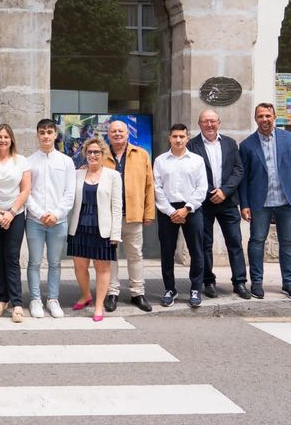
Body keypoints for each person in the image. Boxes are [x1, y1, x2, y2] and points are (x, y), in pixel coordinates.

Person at [239, 103, 291, 299]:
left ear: (274, 117)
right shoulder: (247, 145)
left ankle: (288, 283)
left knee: (288, 242)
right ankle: (256, 282)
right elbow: (243, 178)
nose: (265, 119)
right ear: (256, 119)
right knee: (256, 241)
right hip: (259, 203)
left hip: (287, 201)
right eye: (261, 116)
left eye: (268, 116)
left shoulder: (289, 139)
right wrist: (244, 204)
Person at [186, 109, 250, 299]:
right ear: (199, 124)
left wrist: (224, 191)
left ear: (219, 123)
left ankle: (239, 282)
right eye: (205, 121)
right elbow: (191, 174)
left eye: (213, 121)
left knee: (235, 242)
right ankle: (208, 281)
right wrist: (210, 192)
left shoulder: (230, 143)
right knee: (205, 243)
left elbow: (239, 170)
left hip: (228, 201)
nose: (210, 125)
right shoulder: (191, 145)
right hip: (203, 202)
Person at [102, 120, 154, 312]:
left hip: (133, 216)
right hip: (108, 218)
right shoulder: (101, 156)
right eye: (113, 131)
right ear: (108, 134)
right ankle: (112, 292)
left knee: (135, 255)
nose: (117, 134)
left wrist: (148, 213)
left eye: (120, 131)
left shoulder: (141, 155)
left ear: (127, 134)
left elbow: (149, 185)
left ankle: (137, 293)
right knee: (110, 257)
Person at [68, 137, 123, 322]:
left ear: (103, 154)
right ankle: (86, 296)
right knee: (79, 267)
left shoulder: (113, 176)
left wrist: (116, 233)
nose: (92, 155)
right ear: (85, 153)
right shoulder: (77, 174)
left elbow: (117, 206)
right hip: (80, 225)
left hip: (103, 228)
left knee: (102, 268)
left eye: (96, 152)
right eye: (89, 152)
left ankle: (99, 305)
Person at [25, 118, 75, 318]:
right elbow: (26, 192)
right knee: (34, 262)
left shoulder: (66, 161)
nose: (46, 136)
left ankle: (53, 299)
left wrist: (56, 214)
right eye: (42, 132)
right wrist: (39, 213)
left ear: (55, 134)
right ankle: (35, 299)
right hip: (35, 221)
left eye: (49, 132)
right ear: (37, 135)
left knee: (55, 262)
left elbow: (69, 193)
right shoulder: (28, 162)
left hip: (58, 221)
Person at [154, 124, 208, 307]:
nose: (178, 140)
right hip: (167, 210)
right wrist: (170, 211)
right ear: (169, 138)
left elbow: (202, 188)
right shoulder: (160, 160)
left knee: (197, 251)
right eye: (175, 136)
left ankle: (195, 289)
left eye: (182, 136)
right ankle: (170, 289)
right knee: (167, 252)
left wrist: (187, 208)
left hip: (191, 209)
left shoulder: (197, 160)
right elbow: (157, 187)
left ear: (187, 138)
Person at [0, 124, 31, 323]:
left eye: (6, 137)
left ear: (11, 139)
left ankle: (17, 303)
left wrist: (10, 213)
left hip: (15, 215)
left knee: (11, 257)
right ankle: (2, 299)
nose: (3, 140)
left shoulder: (21, 161)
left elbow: (25, 190)